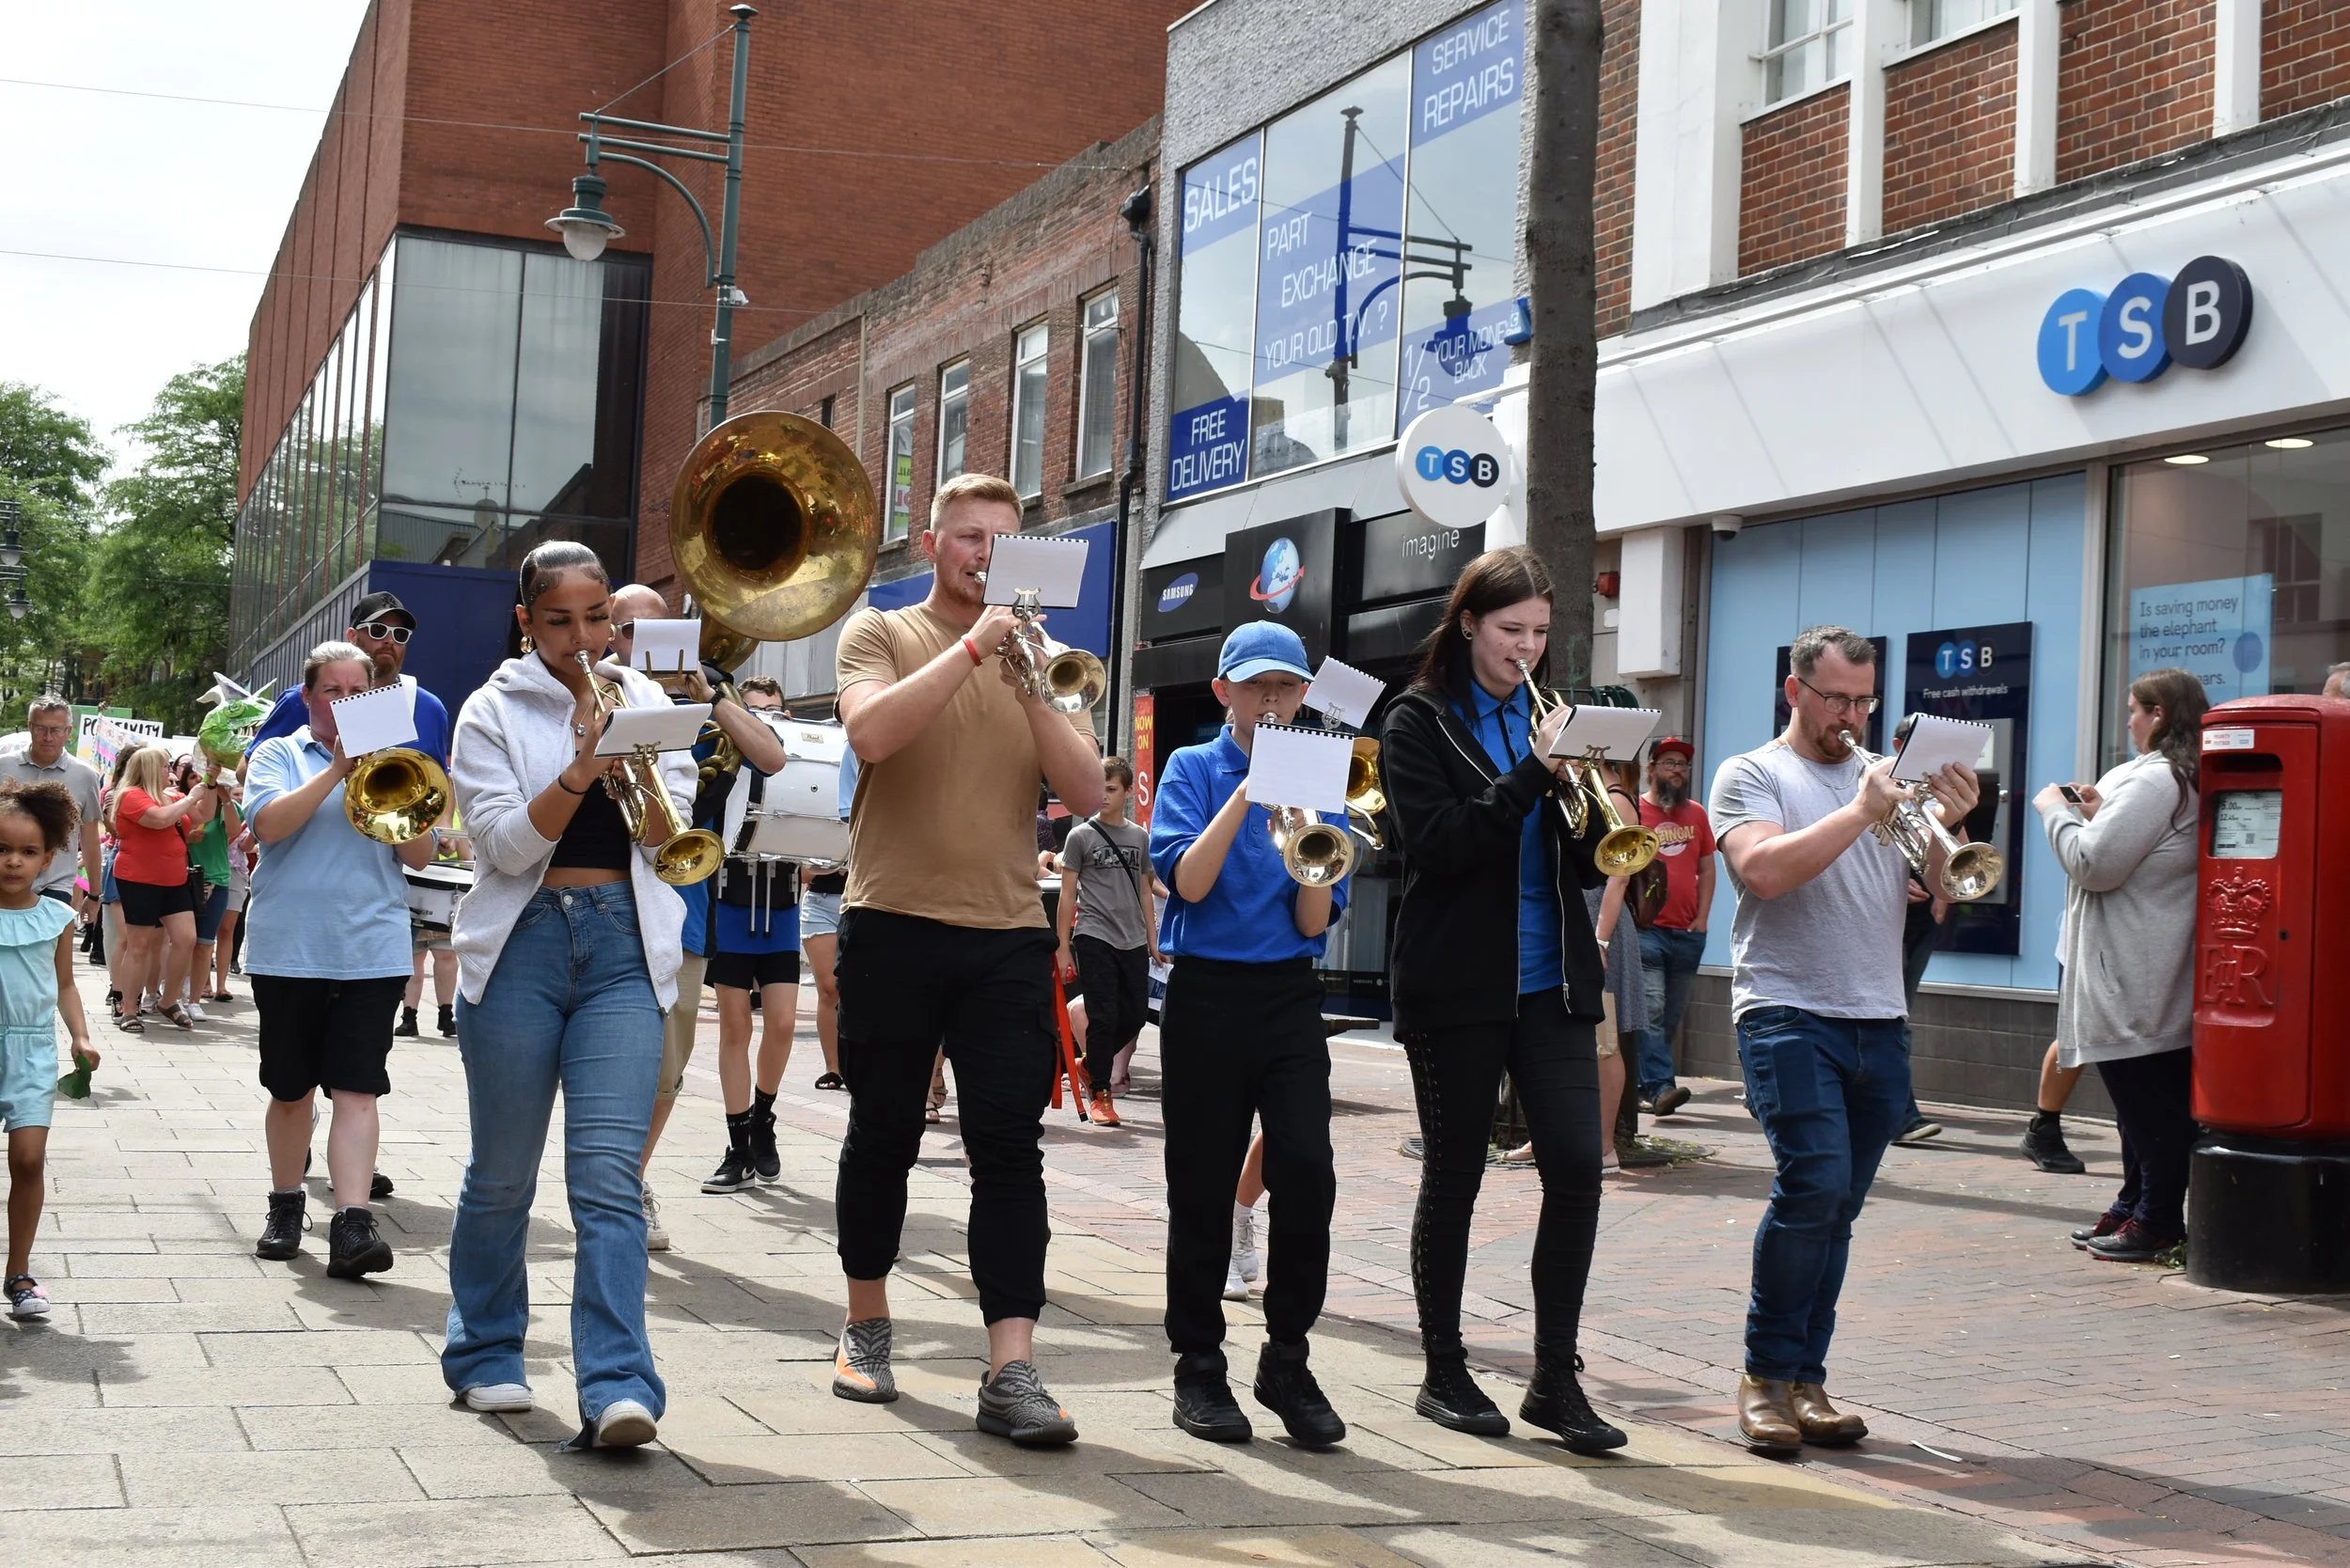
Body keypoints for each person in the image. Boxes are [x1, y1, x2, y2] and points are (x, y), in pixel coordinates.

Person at [826, 473, 1102, 1446]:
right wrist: (976, 645)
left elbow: (1087, 794)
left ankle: (1011, 1369)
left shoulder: (1054, 659)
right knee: (884, 1133)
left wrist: (1026, 677)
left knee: (1009, 1150)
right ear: (931, 542)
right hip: (892, 920)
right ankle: (865, 1326)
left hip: (1006, 934)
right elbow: (872, 733)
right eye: (969, 536)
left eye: (1001, 539)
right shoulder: (881, 631)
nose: (985, 554)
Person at [442, 541, 694, 1449]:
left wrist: (637, 768)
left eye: (598, 620)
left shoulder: (650, 700)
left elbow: (672, 842)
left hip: (625, 945)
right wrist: (583, 764)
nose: (583, 639)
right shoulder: (491, 709)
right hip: (522, 945)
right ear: (526, 621)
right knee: (503, 1175)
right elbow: (505, 847)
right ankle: (486, 1353)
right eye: (560, 622)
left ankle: (619, 1385)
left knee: (608, 1180)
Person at [1708, 624, 1979, 1455]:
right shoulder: (1753, 774)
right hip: (1786, 1010)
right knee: (1813, 1186)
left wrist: (1949, 828)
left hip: (1879, 1018)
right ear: (1795, 691)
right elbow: (1763, 873)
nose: (1853, 717)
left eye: (1865, 701)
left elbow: (1943, 892)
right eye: (1837, 700)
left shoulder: (1888, 783)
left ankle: (1806, 1380)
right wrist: (1862, 811)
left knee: (1839, 1209)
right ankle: (1763, 1378)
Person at [1379, 545, 1626, 1450]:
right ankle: (1443, 1369)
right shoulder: (1417, 720)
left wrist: (1598, 797)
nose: (1526, 649)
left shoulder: (1547, 717)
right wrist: (1535, 774)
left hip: (1552, 978)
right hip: (1458, 981)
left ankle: (1555, 1378)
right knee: (1456, 1174)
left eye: (1539, 633)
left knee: (1578, 1167)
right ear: (1468, 625)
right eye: (1510, 630)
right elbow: (1440, 846)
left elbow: (1585, 863)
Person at [1150, 620, 1350, 1450]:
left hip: (1288, 995)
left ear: (1304, 694)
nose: (1272, 700)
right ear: (1224, 692)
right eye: (1257, 685)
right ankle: (1199, 1363)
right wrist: (1249, 793)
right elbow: (1188, 884)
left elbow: (1312, 919)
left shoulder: (1323, 776)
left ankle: (1287, 1358)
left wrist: (1312, 832)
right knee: (1200, 1184)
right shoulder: (1192, 767)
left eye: (1287, 687)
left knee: (1308, 1169)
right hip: (1206, 994)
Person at [244, 642, 441, 1278]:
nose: (347, 702)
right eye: (334, 691)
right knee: (290, 1088)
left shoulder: (397, 763)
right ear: (308, 697)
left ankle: (354, 1223)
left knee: (358, 1087)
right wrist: (336, 770)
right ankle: (285, 1203)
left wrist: (392, 779)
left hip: (371, 949)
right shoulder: (279, 754)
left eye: (360, 692)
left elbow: (420, 857)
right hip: (290, 948)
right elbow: (269, 827)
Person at [623, 586, 788, 1249]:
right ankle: (607, 1187)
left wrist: (711, 695)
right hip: (602, 899)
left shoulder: (708, 698)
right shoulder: (594, 690)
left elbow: (772, 757)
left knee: (667, 1067)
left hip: (684, 909)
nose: (645, 644)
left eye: (659, 631)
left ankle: (631, 1183)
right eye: (629, 631)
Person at [2034, 668, 2207, 1263]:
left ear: (2159, 715)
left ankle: (2157, 1221)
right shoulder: (2177, 776)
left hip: (2134, 969)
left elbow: (2095, 864)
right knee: (2142, 1105)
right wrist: (2102, 812)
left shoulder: (2158, 778)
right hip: (2149, 961)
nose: (2128, 720)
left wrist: (2053, 811)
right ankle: (2134, 1204)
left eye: (2135, 709)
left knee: (2147, 1107)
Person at [700, 676, 803, 1194]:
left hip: (782, 903)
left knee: (782, 1024)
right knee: (735, 1027)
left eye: (774, 710)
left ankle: (764, 1117)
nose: (765, 718)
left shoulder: (794, 758)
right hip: (731, 901)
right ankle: (737, 1143)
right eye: (755, 709)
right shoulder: (725, 755)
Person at [0, 778, 98, 1320]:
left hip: (32, 1049)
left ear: (48, 857)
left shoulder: (56, 917)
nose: (13, 861)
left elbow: (64, 985)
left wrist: (80, 1036)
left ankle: (19, 1274)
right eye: (2, 849)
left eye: (27, 851)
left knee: (29, 1159)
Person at [1055, 754, 1157, 1128]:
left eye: (1111, 789)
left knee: (1135, 1014)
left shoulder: (1139, 837)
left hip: (1132, 938)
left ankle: (1089, 1065)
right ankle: (1101, 1093)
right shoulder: (1080, 836)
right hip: (1093, 934)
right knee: (1103, 1015)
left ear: (1128, 792)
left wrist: (1152, 940)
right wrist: (1062, 946)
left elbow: (1145, 891)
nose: (1103, 795)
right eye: (1100, 788)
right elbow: (1068, 894)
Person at [245, 590, 450, 763]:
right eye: (378, 630)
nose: (389, 640)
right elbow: (247, 771)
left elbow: (439, 782)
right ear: (352, 636)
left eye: (400, 634)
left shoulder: (429, 708)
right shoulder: (304, 700)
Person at [1629, 737, 1713, 1118]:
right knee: (1652, 1009)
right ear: (1651, 769)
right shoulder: (1634, 809)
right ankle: (1662, 1087)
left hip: (1688, 932)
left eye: (1683, 765)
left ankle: (1640, 1089)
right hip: (1647, 929)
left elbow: (1707, 869)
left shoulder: (1696, 813)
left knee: (1669, 1017)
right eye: (1670, 763)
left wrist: (1703, 918)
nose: (1678, 771)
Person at [107, 745, 214, 1032]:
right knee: (139, 945)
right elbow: (159, 820)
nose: (170, 770)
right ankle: (130, 1009)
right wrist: (191, 797)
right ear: (150, 769)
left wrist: (212, 783)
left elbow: (204, 814)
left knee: (186, 939)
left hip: (174, 879)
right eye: (165, 765)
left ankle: (168, 1001)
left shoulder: (172, 796)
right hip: (139, 879)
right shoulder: (131, 795)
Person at [0, 698, 104, 936]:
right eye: (41, 728)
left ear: (68, 732)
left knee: (50, 954)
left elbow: (90, 839)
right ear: (30, 727)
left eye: (55, 730)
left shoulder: (84, 776)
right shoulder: (4, 766)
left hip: (55, 885)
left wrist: (94, 894)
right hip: (6, 878)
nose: (47, 737)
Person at [182, 757, 242, 1022]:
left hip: (217, 880)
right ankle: (172, 992)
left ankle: (194, 1000)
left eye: (204, 776)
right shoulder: (183, 804)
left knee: (205, 943)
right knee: (182, 941)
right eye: (194, 776)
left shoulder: (227, 806)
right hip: (185, 879)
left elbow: (234, 831)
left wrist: (226, 799)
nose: (203, 781)